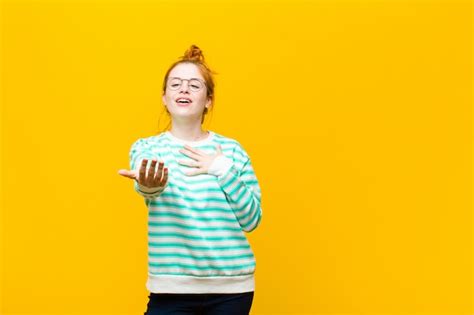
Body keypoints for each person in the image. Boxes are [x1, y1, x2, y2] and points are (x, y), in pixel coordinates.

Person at [118, 44, 263, 315]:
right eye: (176, 84)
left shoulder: (231, 151)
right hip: (171, 289)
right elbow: (148, 184)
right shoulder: (148, 149)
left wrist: (222, 169)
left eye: (194, 85)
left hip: (232, 290)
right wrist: (150, 184)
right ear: (164, 97)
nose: (184, 89)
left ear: (208, 100)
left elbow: (252, 219)